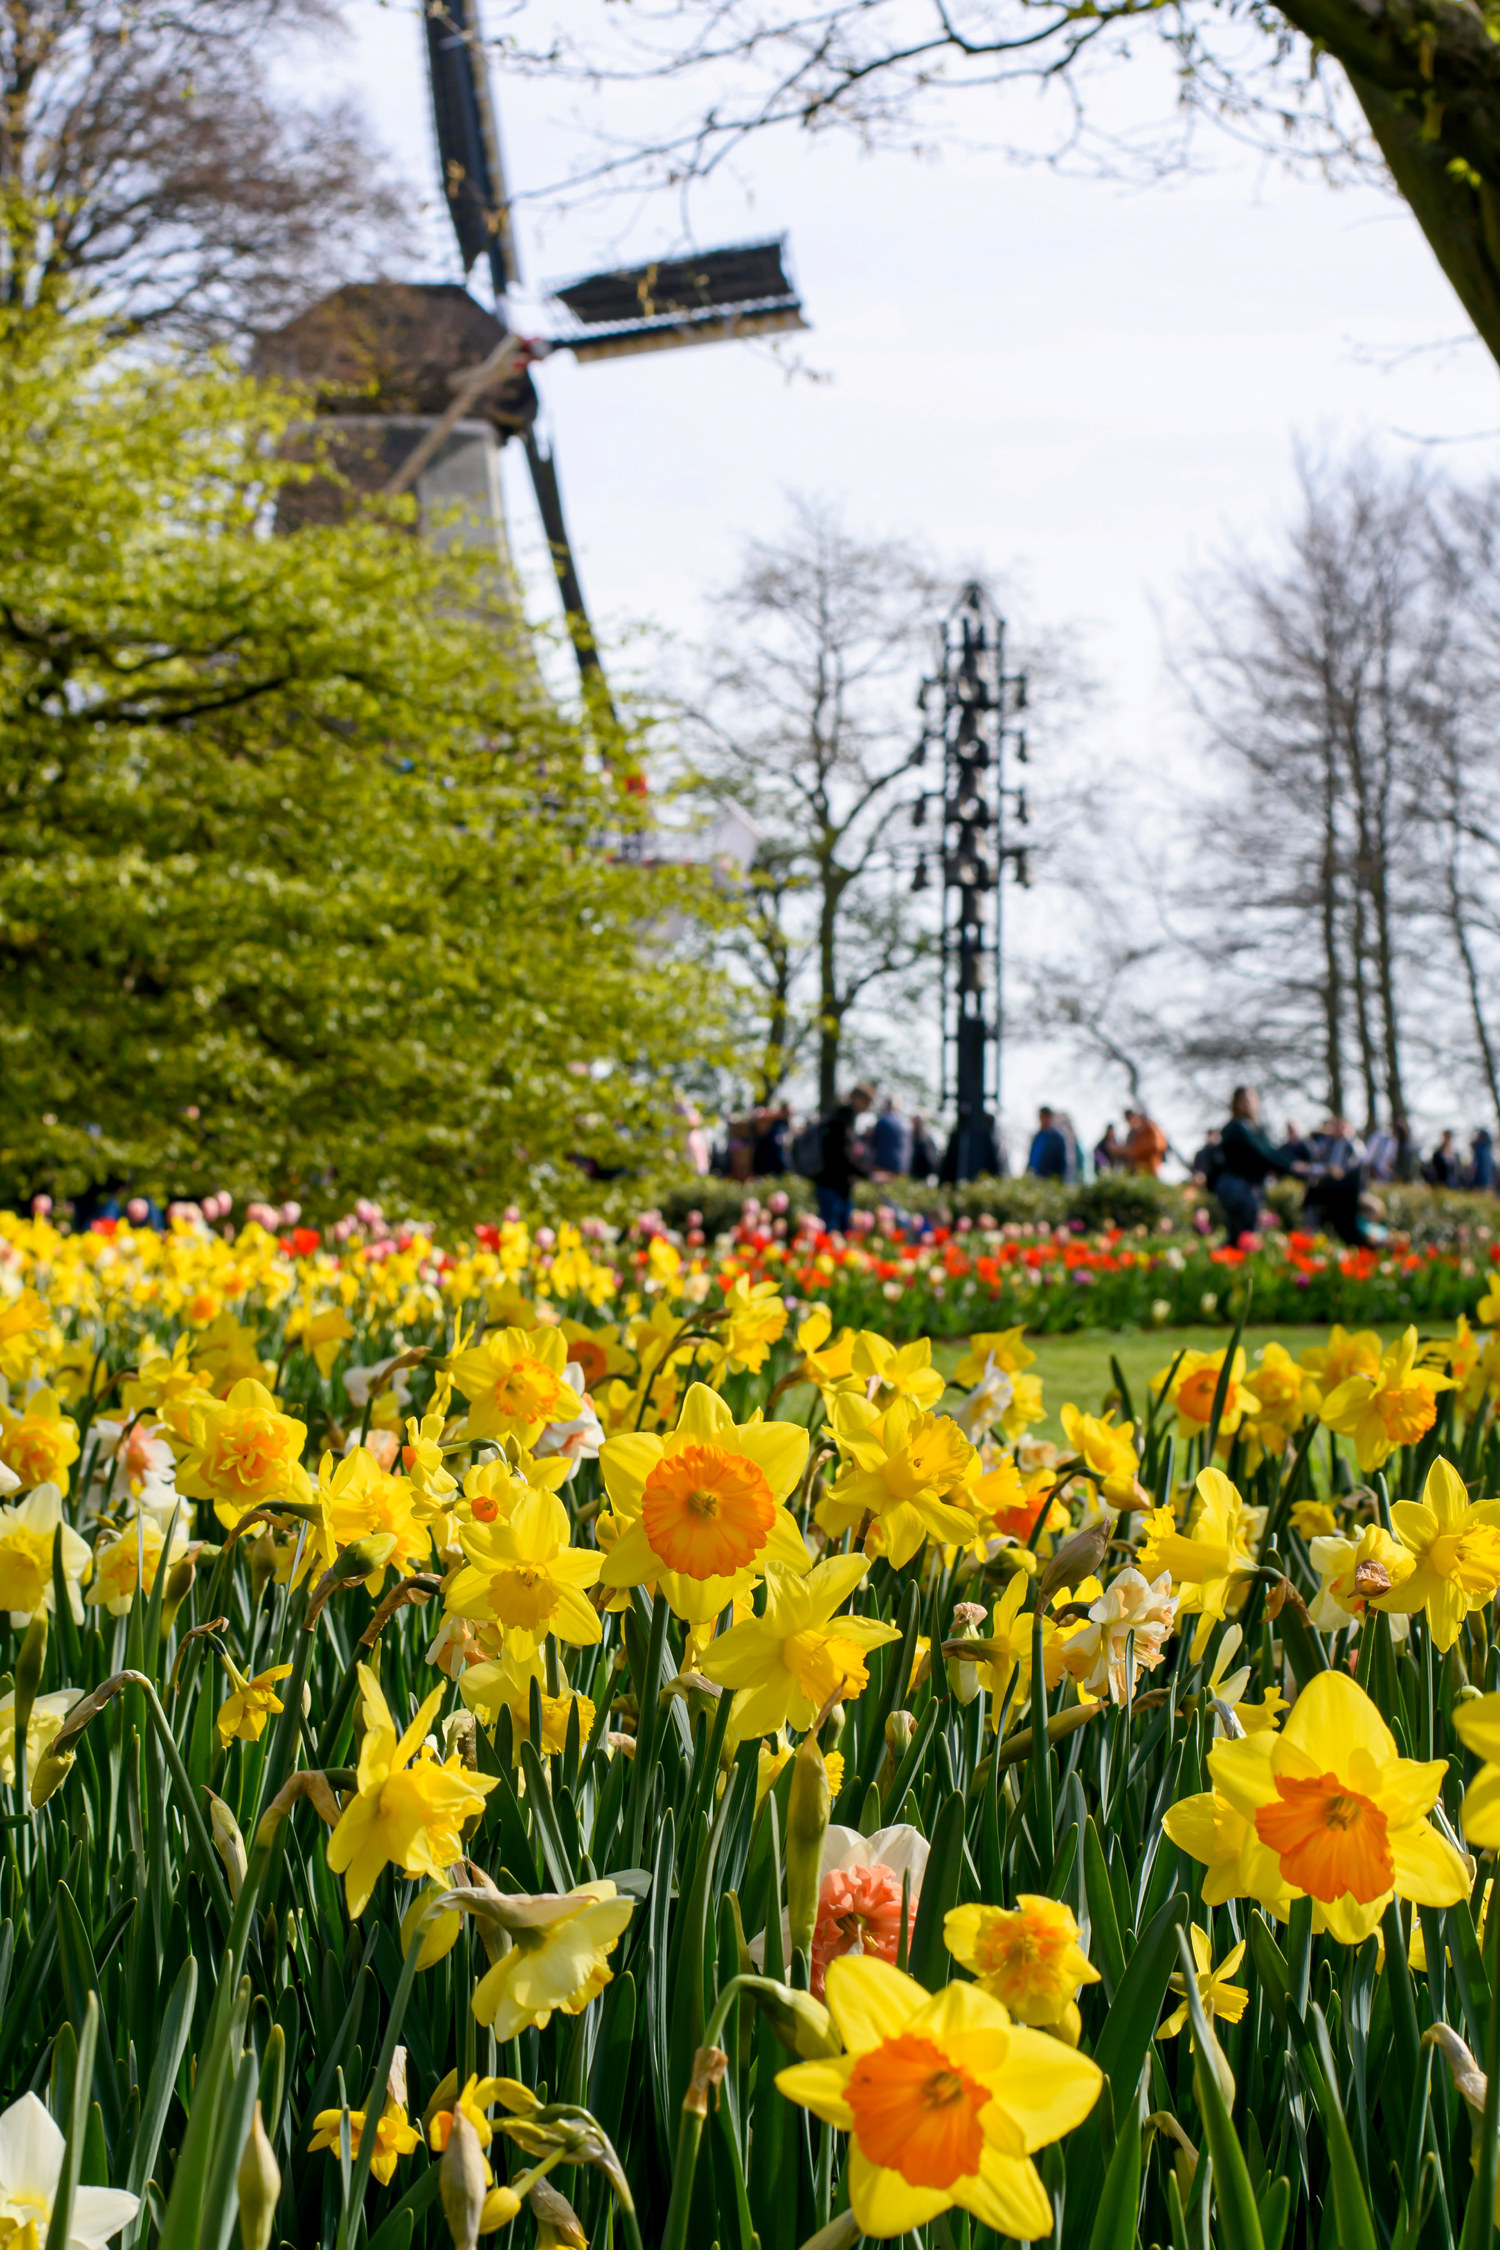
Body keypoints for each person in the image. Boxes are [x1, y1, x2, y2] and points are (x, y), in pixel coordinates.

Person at [1216, 1086, 1303, 1241]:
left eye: (1252, 1099)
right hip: (1238, 1185)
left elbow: (1270, 1151)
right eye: (1245, 1099)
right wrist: (1291, 1167)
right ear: (1236, 1103)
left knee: (1243, 1231)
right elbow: (1261, 1154)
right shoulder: (1237, 1128)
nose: (1249, 1103)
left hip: (1248, 1185)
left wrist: (1292, 1164)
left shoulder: (1253, 1128)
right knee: (1243, 1232)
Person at [816, 1082, 874, 1234]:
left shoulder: (842, 1118)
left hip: (837, 1185)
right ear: (857, 1099)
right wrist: (867, 1174)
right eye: (867, 1102)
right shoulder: (841, 1120)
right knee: (833, 1233)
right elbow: (842, 1158)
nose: (868, 1107)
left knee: (844, 1231)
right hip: (832, 1184)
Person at [870, 1097, 912, 1176]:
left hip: (883, 1167)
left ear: (886, 1105)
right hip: (903, 1168)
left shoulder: (883, 1120)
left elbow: (873, 1142)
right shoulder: (906, 1123)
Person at [1123, 1106, 1168, 1177]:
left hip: (1152, 1165)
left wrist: (1132, 1151)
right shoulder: (1134, 1132)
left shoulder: (1151, 1129)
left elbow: (1157, 1145)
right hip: (1139, 1167)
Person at [1026, 1107, 1069, 1181]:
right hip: (1034, 1177)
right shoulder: (1037, 1136)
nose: (1042, 1120)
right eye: (1041, 1117)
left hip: (1049, 1179)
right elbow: (1031, 1158)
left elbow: (1062, 1163)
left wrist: (1058, 1180)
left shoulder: (1057, 1139)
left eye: (1044, 1117)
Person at [909, 1114, 940, 1182]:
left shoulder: (926, 1137)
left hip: (923, 1170)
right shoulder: (910, 1135)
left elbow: (931, 1157)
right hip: (913, 1170)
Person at [1471, 1127, 1497, 1191]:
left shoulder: (1480, 1148)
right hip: (1488, 1178)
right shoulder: (1488, 1148)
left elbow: (1476, 1164)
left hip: (1481, 1177)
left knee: (1480, 1190)